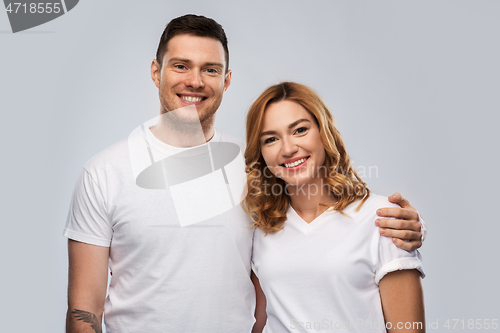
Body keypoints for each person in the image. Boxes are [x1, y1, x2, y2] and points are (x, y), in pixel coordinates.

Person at [64, 15, 426, 333]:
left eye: (210, 69)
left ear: (227, 79)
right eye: (180, 66)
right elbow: (84, 309)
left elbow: (325, 220)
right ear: (156, 72)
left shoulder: (258, 169)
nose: (195, 80)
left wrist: (407, 227)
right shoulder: (105, 173)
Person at [243, 82, 425, 332]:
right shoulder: (262, 228)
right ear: (261, 152)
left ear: (323, 131)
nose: (287, 149)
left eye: (300, 130)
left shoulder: (382, 219)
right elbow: (257, 322)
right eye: (271, 139)